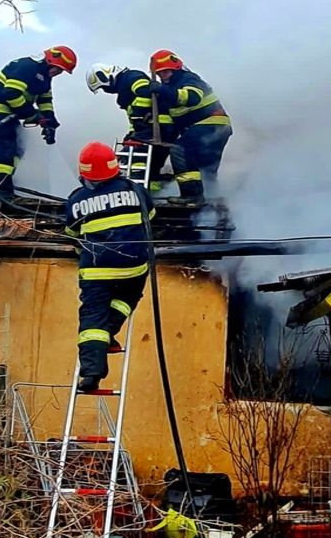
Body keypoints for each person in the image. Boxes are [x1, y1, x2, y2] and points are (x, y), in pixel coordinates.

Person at [64, 141, 155, 392]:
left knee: (93, 317)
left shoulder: (76, 200)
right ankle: (110, 330)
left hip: (95, 270)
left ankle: (91, 374)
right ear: (116, 168)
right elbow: (151, 217)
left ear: (84, 174)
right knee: (127, 297)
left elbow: (71, 233)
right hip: (132, 266)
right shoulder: (136, 191)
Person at [0, 46, 77, 200]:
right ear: (50, 60)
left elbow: (45, 99)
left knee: (19, 148)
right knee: (5, 145)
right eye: (57, 68)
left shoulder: (45, 77)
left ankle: (7, 182)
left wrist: (50, 120)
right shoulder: (27, 67)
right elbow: (11, 93)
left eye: (61, 71)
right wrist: (32, 115)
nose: (57, 72)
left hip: (9, 110)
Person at [146, 50, 232, 205]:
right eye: (159, 73)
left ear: (176, 68)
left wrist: (161, 90)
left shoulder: (189, 79)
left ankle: (191, 195)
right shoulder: (170, 88)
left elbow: (192, 97)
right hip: (215, 127)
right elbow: (170, 116)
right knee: (205, 167)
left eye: (166, 72)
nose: (163, 76)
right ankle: (211, 200)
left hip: (210, 123)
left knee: (180, 150)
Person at [85, 63, 174, 192]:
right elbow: (135, 122)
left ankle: (137, 191)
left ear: (105, 76)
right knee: (152, 166)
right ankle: (154, 193)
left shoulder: (133, 77)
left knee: (135, 155)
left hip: (158, 125)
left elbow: (146, 93)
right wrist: (132, 133)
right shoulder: (125, 87)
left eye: (103, 87)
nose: (106, 90)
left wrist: (138, 115)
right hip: (155, 128)